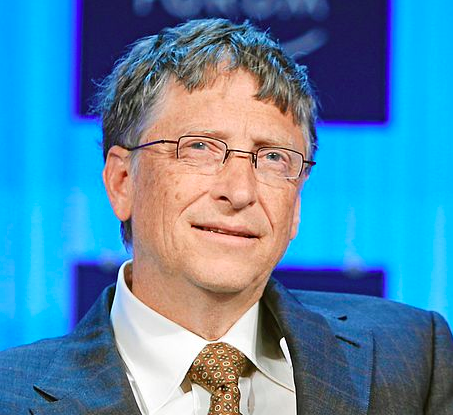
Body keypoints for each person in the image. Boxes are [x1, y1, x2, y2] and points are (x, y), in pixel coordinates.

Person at [1, 18, 452, 415]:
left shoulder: (410, 356)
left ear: (296, 201)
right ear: (122, 181)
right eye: (199, 147)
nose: (239, 192)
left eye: (273, 158)